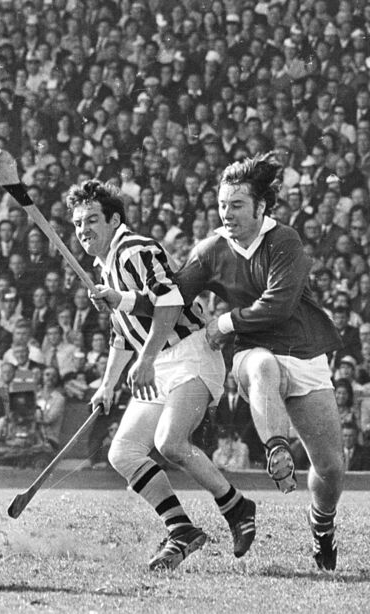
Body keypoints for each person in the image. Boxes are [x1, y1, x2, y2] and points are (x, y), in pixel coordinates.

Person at [96, 154, 344, 570]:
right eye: (222, 205)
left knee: (331, 467)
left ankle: (322, 525)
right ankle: (277, 450)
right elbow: (170, 298)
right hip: (251, 349)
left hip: (304, 350)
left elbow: (279, 306)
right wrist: (119, 299)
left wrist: (224, 321)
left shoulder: (284, 241)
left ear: (260, 208)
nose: (226, 214)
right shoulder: (211, 249)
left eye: (237, 205)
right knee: (261, 367)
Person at [69, 179, 256, 571]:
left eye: (91, 220)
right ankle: (181, 530)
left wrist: (147, 357)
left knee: (170, 442)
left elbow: (168, 301)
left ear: (114, 219)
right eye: (77, 224)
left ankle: (237, 508)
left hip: (189, 354)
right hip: (158, 361)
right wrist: (107, 384)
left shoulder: (134, 249)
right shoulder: (103, 265)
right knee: (123, 452)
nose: (83, 230)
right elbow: (123, 334)